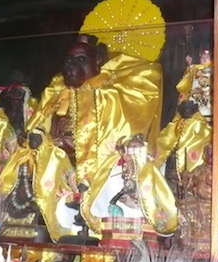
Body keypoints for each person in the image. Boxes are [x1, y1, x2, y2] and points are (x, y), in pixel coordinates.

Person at [26, 33, 175, 236]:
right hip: (66, 172)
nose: (71, 66)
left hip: (101, 170)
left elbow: (115, 137)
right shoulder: (57, 92)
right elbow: (41, 130)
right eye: (68, 61)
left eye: (80, 60)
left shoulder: (111, 94)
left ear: (98, 61)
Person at [0, 129, 79, 242]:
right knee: (7, 206)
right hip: (21, 197)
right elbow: (9, 175)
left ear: (44, 139)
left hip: (45, 199)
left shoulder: (56, 154)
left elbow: (70, 173)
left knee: (40, 209)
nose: (33, 141)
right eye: (31, 138)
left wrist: (77, 188)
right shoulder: (21, 155)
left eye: (37, 138)